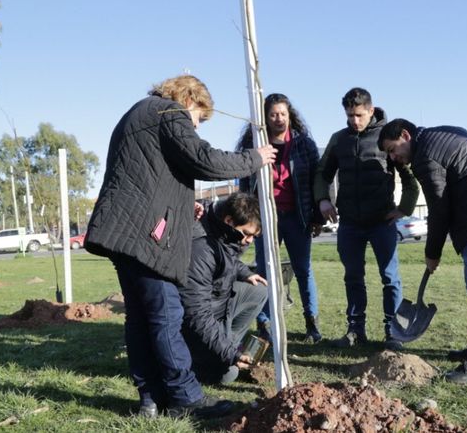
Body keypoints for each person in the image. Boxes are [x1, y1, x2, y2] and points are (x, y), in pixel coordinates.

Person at [85, 75, 276, 418]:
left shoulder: (138, 114)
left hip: (123, 229)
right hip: (142, 236)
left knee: (142, 319)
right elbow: (202, 158)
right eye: (200, 119)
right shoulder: (168, 113)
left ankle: (151, 399)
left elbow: (146, 177)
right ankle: (185, 399)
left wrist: (180, 208)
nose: (197, 128)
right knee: (166, 315)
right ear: (190, 99)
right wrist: (254, 158)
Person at [378, 119, 467, 383]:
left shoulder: (424, 158)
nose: (393, 157)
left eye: (392, 149)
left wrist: (432, 253)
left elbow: (438, 208)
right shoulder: (443, 132)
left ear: (405, 135)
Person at [313, 88, 419, 351]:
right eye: (349, 116)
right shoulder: (339, 140)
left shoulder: (387, 139)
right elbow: (322, 174)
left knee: (390, 277)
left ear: (371, 110)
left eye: (359, 115)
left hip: (382, 222)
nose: (354, 121)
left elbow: (409, 179)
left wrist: (404, 209)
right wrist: (323, 199)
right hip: (350, 222)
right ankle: (355, 330)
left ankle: (392, 332)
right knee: (353, 277)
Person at [238, 93, 324, 344]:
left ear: (290, 116)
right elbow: (245, 185)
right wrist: (247, 221)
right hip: (265, 220)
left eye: (283, 114)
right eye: (273, 114)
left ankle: (312, 323)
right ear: (265, 117)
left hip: (297, 218)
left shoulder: (304, 145)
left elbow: (315, 181)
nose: (279, 119)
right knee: (264, 270)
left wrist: (317, 216)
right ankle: (264, 323)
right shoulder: (253, 146)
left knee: (303, 270)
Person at [180, 193, 268, 385]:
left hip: (218, 305)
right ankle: (200, 362)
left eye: (255, 236)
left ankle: (230, 346)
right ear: (229, 221)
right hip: (197, 319)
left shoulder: (222, 230)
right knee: (227, 376)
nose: (249, 241)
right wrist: (229, 353)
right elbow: (196, 313)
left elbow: (227, 260)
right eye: (247, 234)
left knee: (259, 290)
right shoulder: (200, 249)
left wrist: (245, 272)